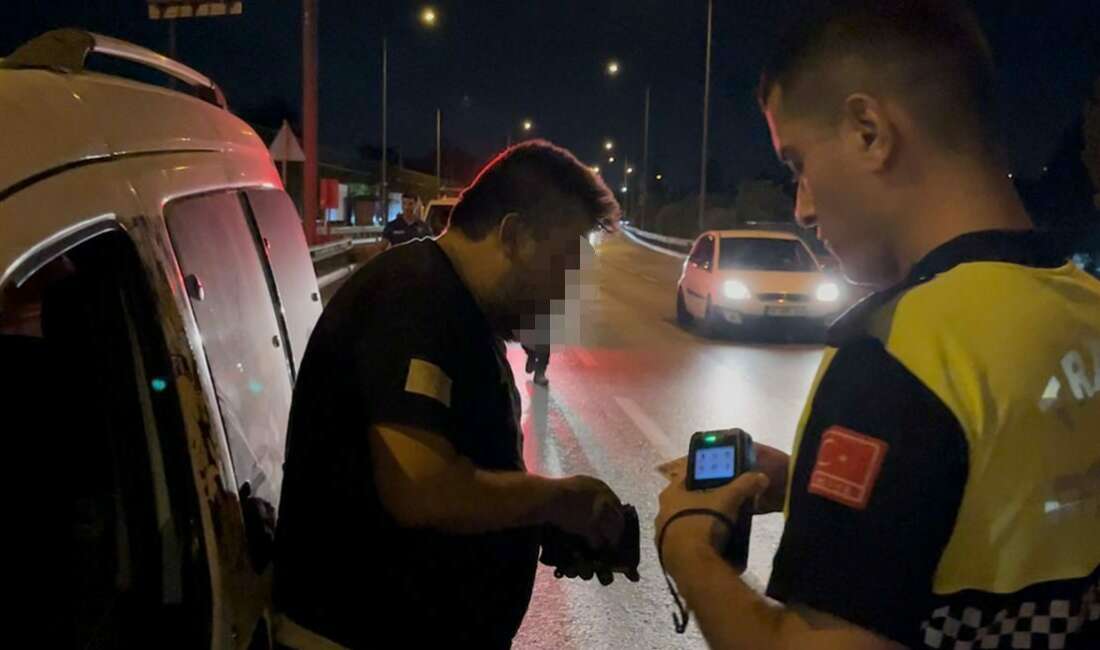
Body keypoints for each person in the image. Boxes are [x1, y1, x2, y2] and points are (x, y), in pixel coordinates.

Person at [655, 2, 1100, 649]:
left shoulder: (894, 359)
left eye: (798, 166)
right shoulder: (1084, 304)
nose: (802, 208)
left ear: (869, 131)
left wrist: (688, 549)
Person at [275, 140, 627, 648]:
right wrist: (558, 498)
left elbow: (463, 479)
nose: (565, 291)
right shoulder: (412, 300)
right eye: (564, 264)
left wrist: (541, 522)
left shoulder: (462, 310)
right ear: (516, 237)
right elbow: (423, 489)